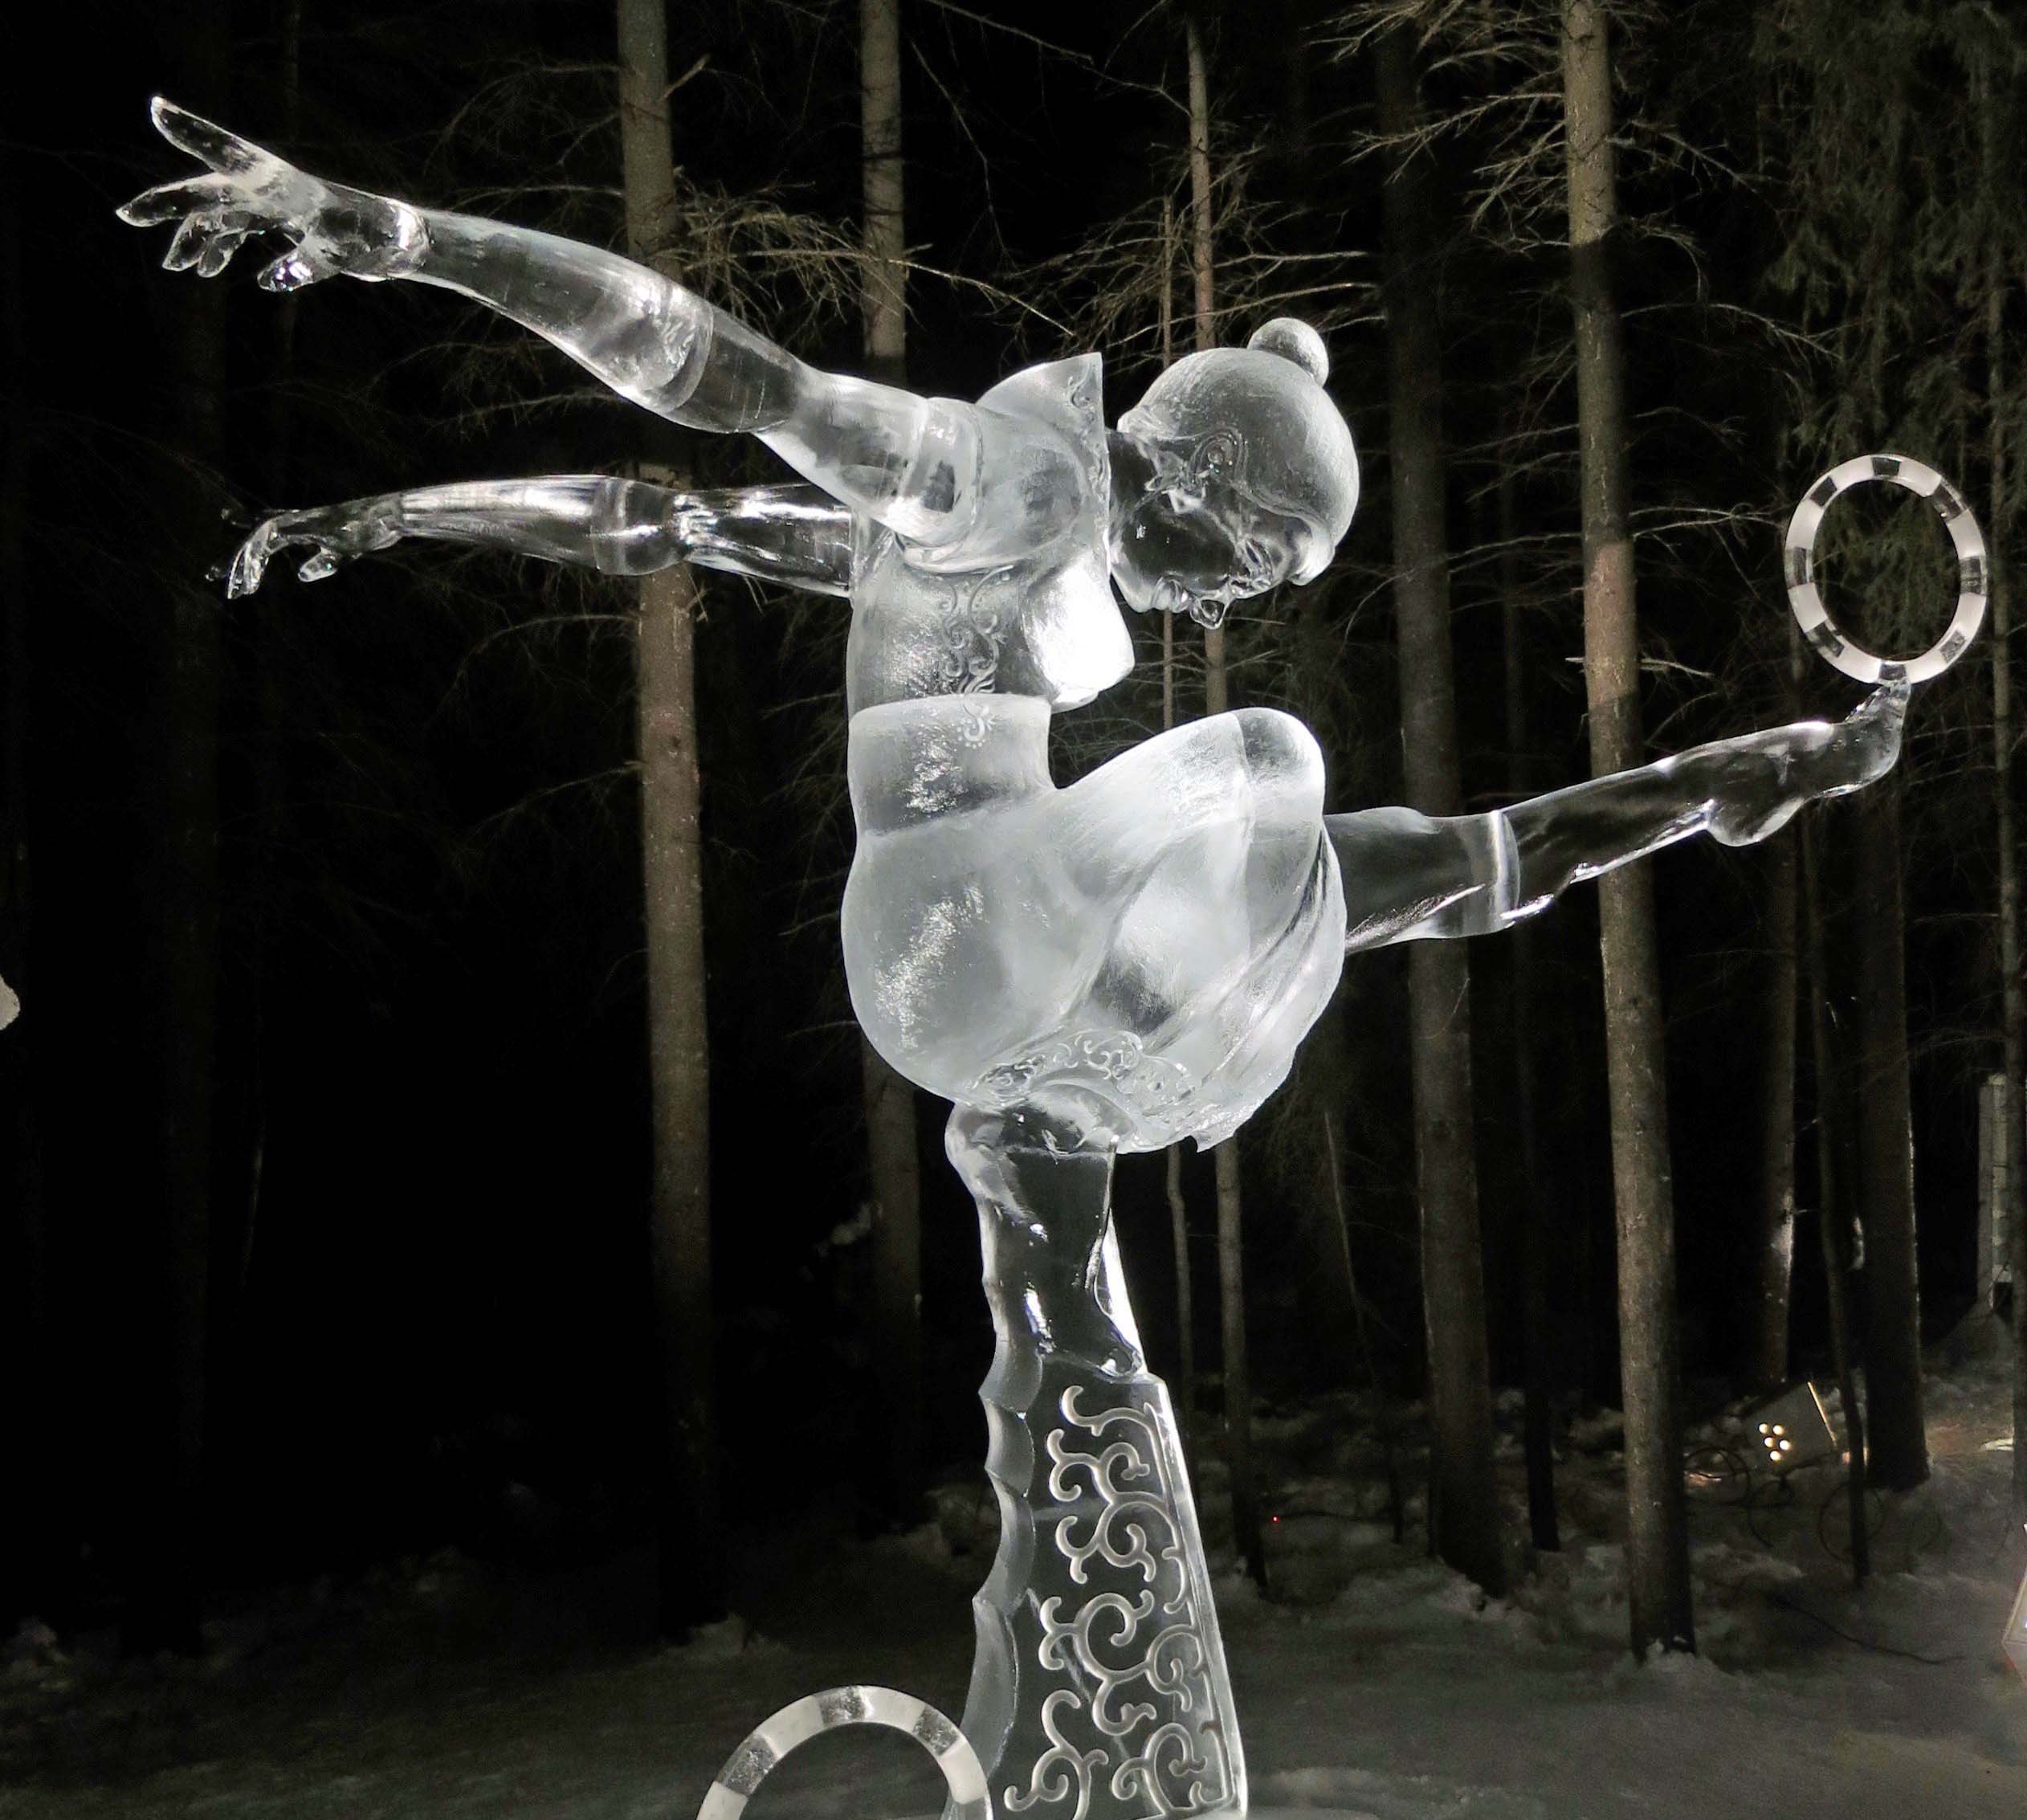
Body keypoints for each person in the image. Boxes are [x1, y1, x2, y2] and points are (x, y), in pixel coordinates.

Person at [122, 99, 1903, 1160]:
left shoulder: (997, 596)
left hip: (941, 964)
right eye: (1253, 568)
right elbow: (725, 375)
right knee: (1269, 767)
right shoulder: (1009, 485)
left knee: (1386, 869)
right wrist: (400, 234)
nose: (1226, 608)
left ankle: (1105, 1082)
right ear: (1199, 489)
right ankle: (1116, 1074)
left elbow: (657, 523)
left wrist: (1768, 768)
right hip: (956, 927)